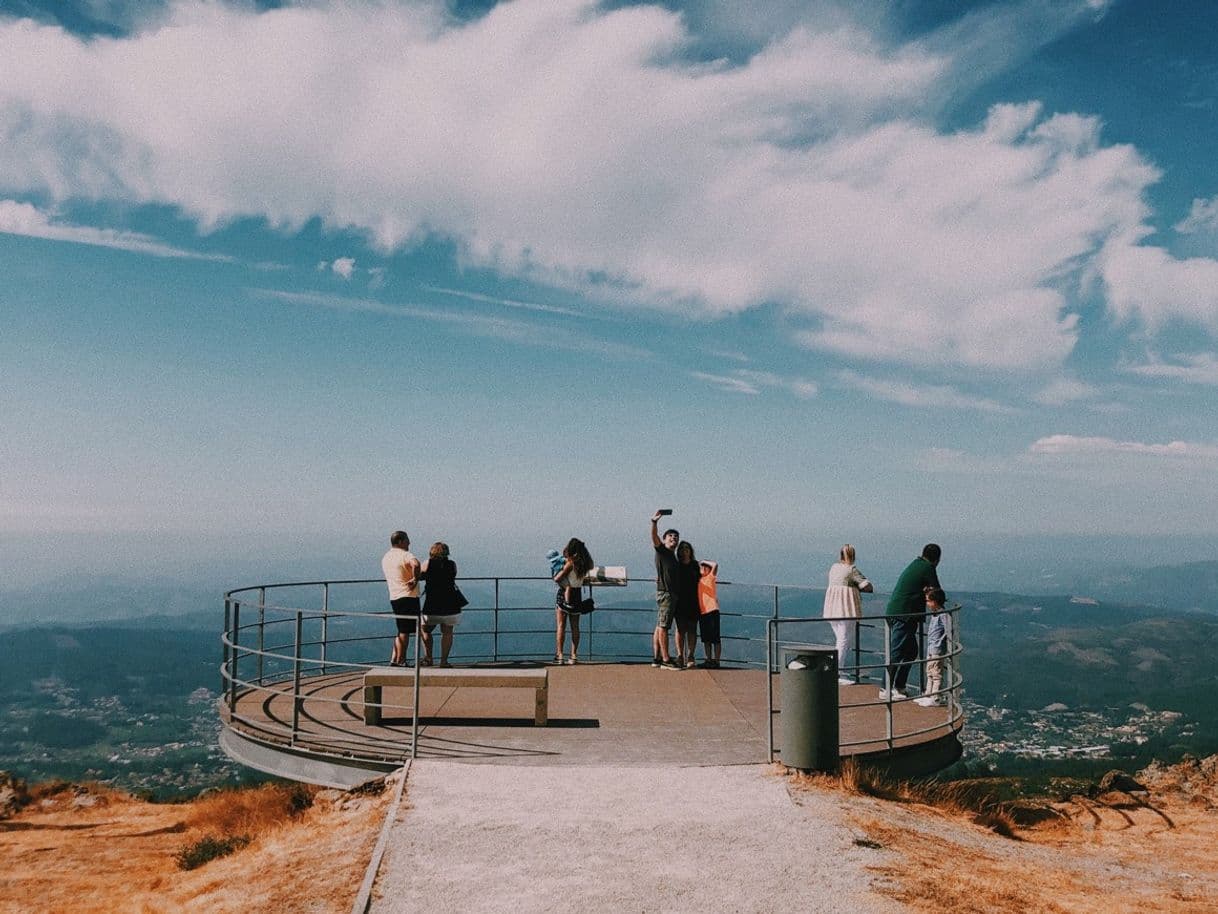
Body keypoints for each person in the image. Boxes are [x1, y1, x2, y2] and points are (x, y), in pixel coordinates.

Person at [883, 543, 942, 700]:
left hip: (897, 612)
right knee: (896, 651)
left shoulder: (917, 564)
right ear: (936, 559)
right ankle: (886, 688)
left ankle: (899, 686)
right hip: (904, 614)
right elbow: (937, 591)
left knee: (910, 652)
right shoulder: (927, 568)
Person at [822, 545, 874, 685]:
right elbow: (867, 586)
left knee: (840, 639)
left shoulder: (834, 568)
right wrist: (855, 587)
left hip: (832, 608)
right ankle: (837, 671)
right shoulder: (852, 570)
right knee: (844, 640)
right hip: (846, 608)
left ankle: (836, 669)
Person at [380, 530, 421, 667]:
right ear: (400, 541)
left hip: (394, 596)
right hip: (408, 596)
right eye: (407, 540)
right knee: (405, 631)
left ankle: (395, 659)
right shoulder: (406, 555)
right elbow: (416, 563)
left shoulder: (386, 557)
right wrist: (415, 579)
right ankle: (401, 660)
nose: (409, 542)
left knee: (401, 629)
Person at [420, 542, 462, 668]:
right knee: (447, 632)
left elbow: (420, 575)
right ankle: (444, 661)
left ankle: (428, 658)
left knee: (425, 629)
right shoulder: (452, 564)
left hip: (433, 603)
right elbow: (453, 575)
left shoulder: (428, 563)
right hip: (451, 604)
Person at [649, 511, 681, 670]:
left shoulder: (671, 556)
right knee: (664, 626)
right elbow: (654, 538)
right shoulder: (662, 551)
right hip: (666, 594)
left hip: (667, 593)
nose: (673, 538)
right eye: (670, 536)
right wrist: (654, 523)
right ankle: (666, 659)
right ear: (664, 539)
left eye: (676, 537)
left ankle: (657, 657)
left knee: (659, 625)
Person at [553, 537, 593, 665]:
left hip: (565, 594)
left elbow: (557, 578)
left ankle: (560, 655)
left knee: (561, 626)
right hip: (577, 594)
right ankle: (574, 655)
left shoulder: (570, 564)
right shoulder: (585, 563)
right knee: (575, 626)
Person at [915, 587, 950, 707]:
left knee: (935, 674)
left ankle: (935, 697)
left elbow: (948, 630)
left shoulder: (942, 615)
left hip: (937, 649)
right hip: (932, 648)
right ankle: (927, 695)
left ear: (935, 601)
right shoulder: (936, 614)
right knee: (929, 673)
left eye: (928, 601)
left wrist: (942, 642)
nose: (927, 604)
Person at [674, 541, 701, 668]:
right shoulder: (676, 566)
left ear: (691, 550)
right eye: (682, 548)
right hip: (680, 601)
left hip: (694, 601)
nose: (685, 551)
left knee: (692, 629)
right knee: (680, 629)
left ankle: (690, 655)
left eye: (687, 548)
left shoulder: (696, 566)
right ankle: (680, 655)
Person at [697, 559, 721, 668]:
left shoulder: (710, 577)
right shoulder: (698, 580)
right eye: (702, 567)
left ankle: (716, 661)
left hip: (712, 610)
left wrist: (703, 561)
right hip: (703, 611)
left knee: (715, 638)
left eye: (705, 567)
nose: (703, 568)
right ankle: (708, 659)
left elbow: (715, 565)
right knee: (706, 638)